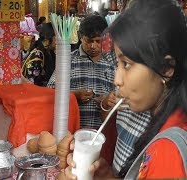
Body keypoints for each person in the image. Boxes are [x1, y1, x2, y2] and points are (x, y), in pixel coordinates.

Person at [65, 0, 187, 178]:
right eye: (118, 63)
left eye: (127, 64)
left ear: (166, 68)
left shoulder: (167, 152)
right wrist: (108, 177)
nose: (117, 80)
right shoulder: (163, 123)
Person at [47, 14, 115, 129]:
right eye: (89, 41)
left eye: (98, 41)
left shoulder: (111, 63)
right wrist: (74, 95)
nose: (93, 46)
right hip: (73, 131)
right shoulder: (68, 60)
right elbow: (50, 91)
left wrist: (108, 100)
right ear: (80, 37)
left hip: (102, 132)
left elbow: (119, 96)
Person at [22, 22, 56, 87]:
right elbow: (30, 84)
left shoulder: (48, 51)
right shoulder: (37, 55)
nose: (59, 41)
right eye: (56, 38)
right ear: (47, 38)